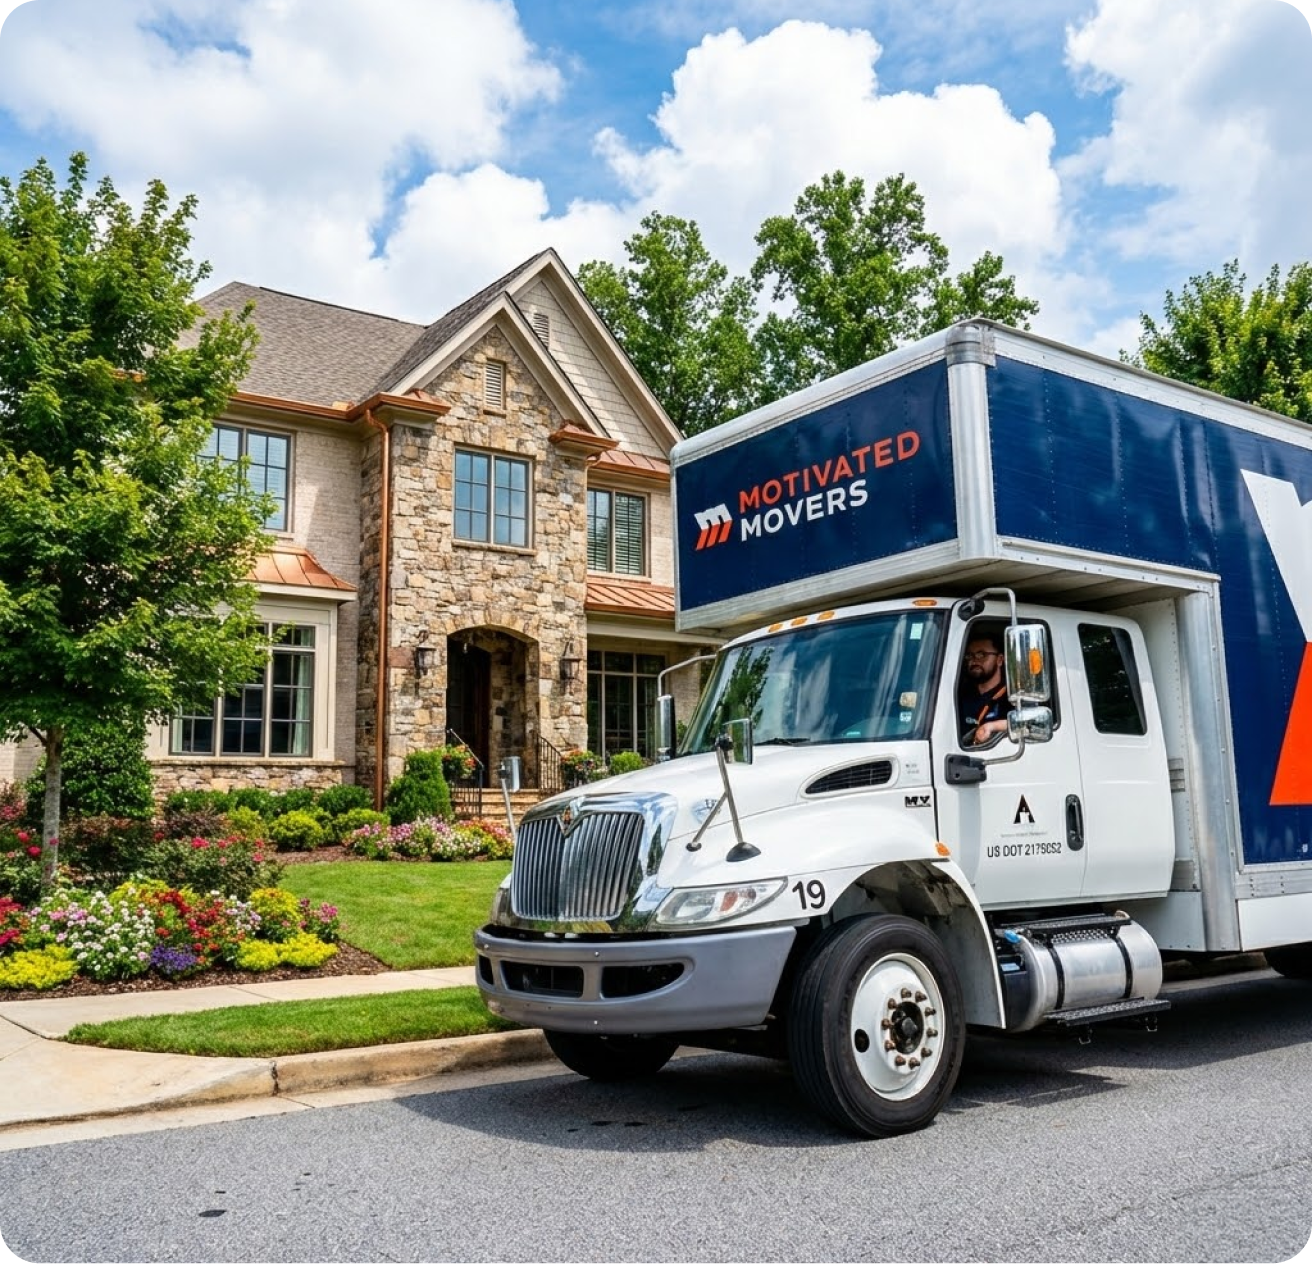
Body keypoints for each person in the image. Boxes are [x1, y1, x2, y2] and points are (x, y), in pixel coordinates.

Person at [960, 630, 1013, 745]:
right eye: (969, 656)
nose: (974, 661)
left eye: (981, 655)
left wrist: (993, 726)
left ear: (1000, 660)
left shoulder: (1013, 696)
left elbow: (1029, 723)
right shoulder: (958, 693)